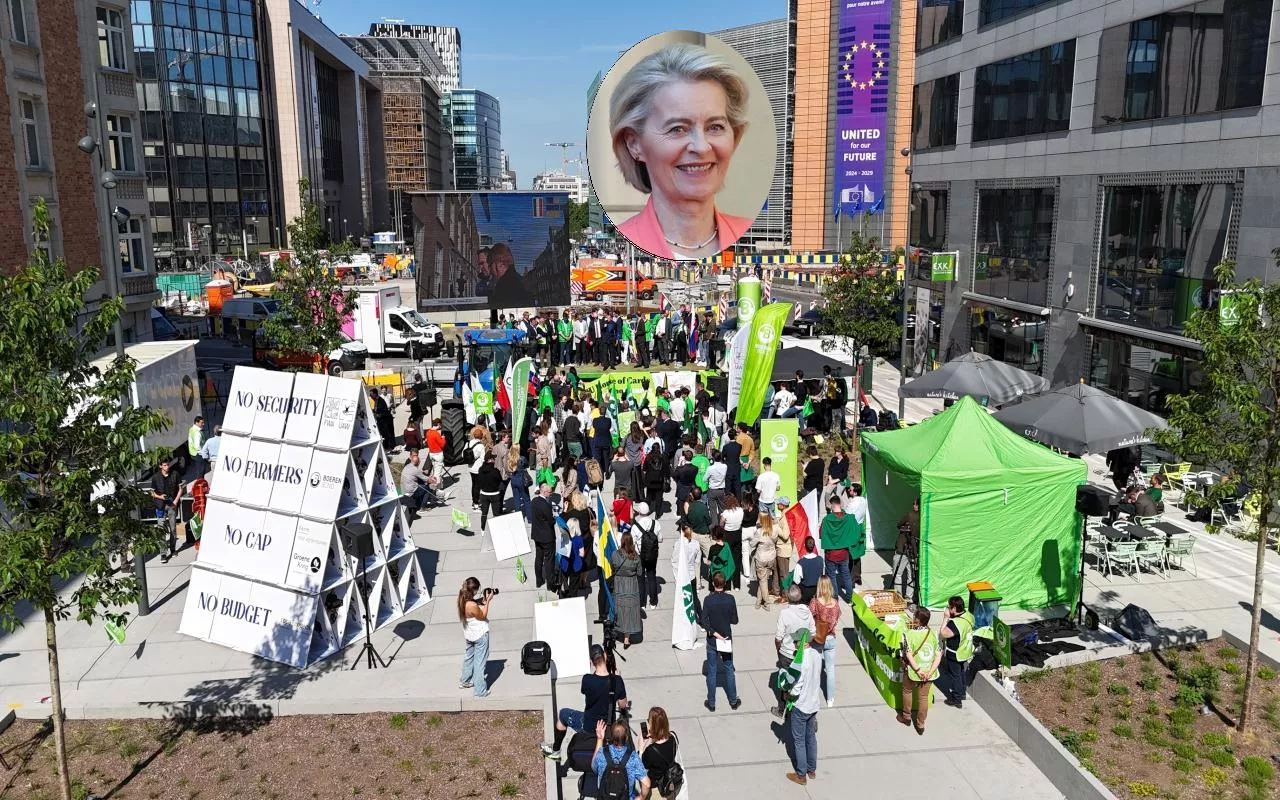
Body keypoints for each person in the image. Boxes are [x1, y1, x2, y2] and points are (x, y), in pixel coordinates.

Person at [541, 644, 632, 760]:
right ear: (605, 656)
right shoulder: (617, 681)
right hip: (608, 727)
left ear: (592, 662)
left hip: (588, 726)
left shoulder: (587, 679)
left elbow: (586, 690)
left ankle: (555, 751)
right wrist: (617, 678)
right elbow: (623, 705)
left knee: (563, 714)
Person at [784, 637, 824, 786]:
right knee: (811, 737)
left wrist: (789, 696)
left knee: (799, 741)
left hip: (801, 706)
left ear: (799, 643)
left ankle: (801, 775)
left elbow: (796, 686)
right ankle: (811, 769)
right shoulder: (816, 654)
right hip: (814, 704)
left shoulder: (799, 661)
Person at [701, 572, 742, 712]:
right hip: (726, 638)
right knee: (729, 669)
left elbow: (703, 620)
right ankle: (733, 701)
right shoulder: (730, 599)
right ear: (724, 584)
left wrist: (713, 632)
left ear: (713, 584)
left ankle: (711, 703)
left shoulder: (708, 600)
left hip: (713, 640)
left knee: (712, 672)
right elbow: (735, 620)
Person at [771, 585, 815, 718]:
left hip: (786, 653)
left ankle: (782, 709)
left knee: (786, 682)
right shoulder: (807, 612)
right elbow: (813, 632)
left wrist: (778, 648)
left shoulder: (785, 614)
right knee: (801, 682)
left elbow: (778, 637)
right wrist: (805, 643)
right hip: (802, 654)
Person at [899, 605, 941, 735]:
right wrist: (929, 672)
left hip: (913, 671)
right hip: (929, 673)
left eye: (914, 615)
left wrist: (917, 670)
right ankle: (920, 724)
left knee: (907, 691)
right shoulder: (933, 634)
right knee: (923, 698)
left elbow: (908, 654)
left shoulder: (908, 634)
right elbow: (939, 654)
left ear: (917, 619)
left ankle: (906, 716)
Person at [591, 720, 650, 800]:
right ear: (626, 737)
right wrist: (641, 797)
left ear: (611, 736)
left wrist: (600, 739)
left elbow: (594, 768)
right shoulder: (633, 757)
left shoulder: (602, 753)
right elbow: (647, 784)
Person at [936, 595, 976, 709]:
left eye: (949, 607)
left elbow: (943, 633)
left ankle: (957, 699)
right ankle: (962, 692)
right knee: (961, 672)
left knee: (955, 676)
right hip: (965, 651)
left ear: (954, 608)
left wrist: (945, 618)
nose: (948, 609)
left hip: (955, 653)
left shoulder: (955, 624)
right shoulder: (969, 616)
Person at [457, 577, 494, 698]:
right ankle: (480, 691)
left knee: (469, 657)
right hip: (480, 635)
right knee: (479, 663)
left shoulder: (461, 599)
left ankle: (465, 681)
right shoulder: (472, 605)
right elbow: (483, 615)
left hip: (469, 634)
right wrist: (488, 601)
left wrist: (480, 601)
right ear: (473, 590)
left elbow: (472, 607)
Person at [818, 495, 860, 602]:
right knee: (846, 575)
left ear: (832, 505)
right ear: (840, 504)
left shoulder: (827, 519)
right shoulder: (849, 519)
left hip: (831, 554)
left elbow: (821, 534)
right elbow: (856, 531)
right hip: (844, 553)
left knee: (832, 576)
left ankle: (835, 597)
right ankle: (849, 598)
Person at [808, 575, 841, 708]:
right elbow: (838, 617)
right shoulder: (835, 603)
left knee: (816, 668)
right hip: (831, 638)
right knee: (830, 669)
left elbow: (809, 617)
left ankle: (813, 695)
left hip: (818, 638)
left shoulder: (815, 602)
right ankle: (830, 698)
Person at [639, 707, 680, 800]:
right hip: (670, 781)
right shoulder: (672, 738)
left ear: (653, 726)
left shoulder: (651, 751)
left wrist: (641, 748)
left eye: (649, 721)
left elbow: (642, 765)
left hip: (657, 787)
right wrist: (654, 738)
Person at [611, 533, 643, 648]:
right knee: (630, 610)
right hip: (631, 586)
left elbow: (612, 567)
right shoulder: (635, 556)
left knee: (620, 608)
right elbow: (639, 573)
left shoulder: (615, 554)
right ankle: (626, 638)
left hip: (619, 584)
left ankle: (618, 630)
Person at [151, 459, 185, 562]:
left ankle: (173, 549)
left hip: (172, 505)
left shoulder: (175, 474)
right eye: (165, 465)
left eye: (168, 465)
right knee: (161, 530)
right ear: (161, 466)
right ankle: (163, 554)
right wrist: (160, 497)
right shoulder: (156, 477)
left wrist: (175, 501)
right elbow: (152, 493)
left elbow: (181, 489)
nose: (167, 467)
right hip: (160, 506)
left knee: (173, 528)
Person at [634, 502, 662, 608]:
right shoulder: (656, 523)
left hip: (640, 555)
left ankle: (642, 604)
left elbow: (632, 542)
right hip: (652, 554)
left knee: (640, 579)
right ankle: (653, 602)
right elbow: (660, 539)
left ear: (639, 512)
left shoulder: (636, 526)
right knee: (652, 577)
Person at [530, 482, 557, 589]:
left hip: (537, 535)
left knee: (539, 558)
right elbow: (551, 521)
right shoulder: (545, 505)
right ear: (545, 492)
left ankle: (539, 580)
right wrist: (554, 519)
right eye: (550, 492)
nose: (551, 494)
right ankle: (551, 584)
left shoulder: (534, 501)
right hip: (547, 537)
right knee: (549, 561)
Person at [894, 499, 921, 602]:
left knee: (898, 573)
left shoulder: (909, 515)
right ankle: (909, 597)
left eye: (915, 504)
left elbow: (898, 524)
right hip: (915, 550)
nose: (914, 505)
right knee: (912, 575)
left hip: (903, 548)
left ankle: (898, 597)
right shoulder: (924, 517)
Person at [750, 512, 778, 609]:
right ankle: (758, 601)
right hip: (771, 557)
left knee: (762, 580)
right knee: (764, 580)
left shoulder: (759, 531)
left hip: (761, 558)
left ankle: (766, 602)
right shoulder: (774, 529)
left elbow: (752, 544)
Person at [718, 494, 745, 591]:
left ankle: (728, 586)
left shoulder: (725, 513)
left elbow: (721, 524)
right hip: (737, 535)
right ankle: (737, 585)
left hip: (728, 536)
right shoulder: (740, 510)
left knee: (727, 561)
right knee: (737, 561)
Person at [790, 536, 823, 605]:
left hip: (805, 592)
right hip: (818, 590)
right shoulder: (820, 559)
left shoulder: (801, 563)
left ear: (804, 546)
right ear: (814, 546)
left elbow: (796, 580)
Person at [475, 452, 504, 531]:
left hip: (484, 494)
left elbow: (479, 482)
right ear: (490, 460)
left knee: (484, 514)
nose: (495, 460)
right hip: (495, 494)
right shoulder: (495, 471)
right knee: (496, 514)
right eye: (493, 458)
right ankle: (497, 530)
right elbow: (500, 481)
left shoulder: (480, 470)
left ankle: (482, 528)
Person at [773, 498, 794, 602]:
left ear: (783, 505)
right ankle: (776, 590)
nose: (777, 505)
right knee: (777, 570)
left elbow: (785, 535)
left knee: (784, 573)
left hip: (783, 549)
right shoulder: (785, 515)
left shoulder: (785, 517)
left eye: (779, 503)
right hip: (781, 548)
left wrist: (776, 527)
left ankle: (785, 595)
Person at [642, 444, 667, 519]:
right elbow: (666, 469)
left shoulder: (648, 457)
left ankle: (646, 511)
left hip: (650, 480)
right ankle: (657, 514)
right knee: (659, 498)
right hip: (659, 481)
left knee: (648, 497)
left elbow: (644, 468)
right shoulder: (663, 457)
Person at [467, 429, 487, 511]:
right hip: (478, 468)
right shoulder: (481, 446)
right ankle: (476, 504)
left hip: (470, 467)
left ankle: (474, 501)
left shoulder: (469, 443)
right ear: (481, 436)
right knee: (477, 487)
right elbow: (483, 459)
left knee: (474, 485)